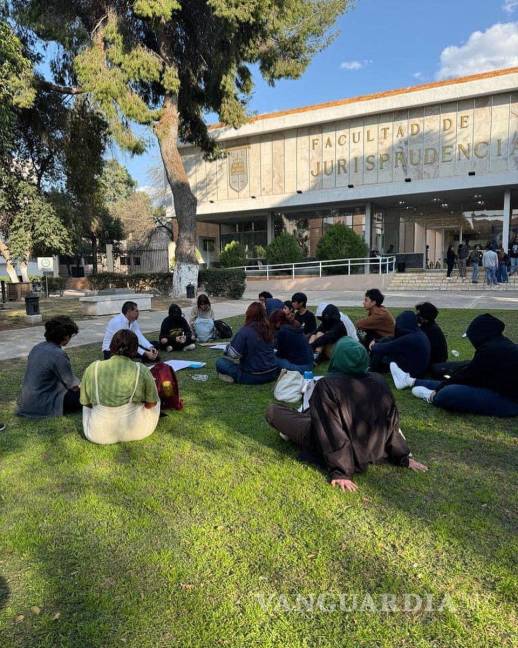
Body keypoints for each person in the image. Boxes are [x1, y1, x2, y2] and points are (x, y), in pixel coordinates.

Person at [265, 337, 427, 492]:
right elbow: (391, 423)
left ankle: (298, 424)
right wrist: (403, 456)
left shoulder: (327, 386)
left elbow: (331, 430)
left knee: (273, 411)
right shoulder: (378, 380)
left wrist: (341, 471)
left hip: (333, 444)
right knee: (308, 413)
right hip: (371, 447)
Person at [390, 314, 518, 417]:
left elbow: (467, 375)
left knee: (450, 392)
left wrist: (439, 389)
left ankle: (432, 396)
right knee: (455, 382)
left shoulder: (491, 350)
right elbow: (470, 374)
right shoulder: (500, 344)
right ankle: (409, 381)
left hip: (509, 401)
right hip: (499, 389)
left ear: (480, 335)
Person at [81, 330, 160, 444]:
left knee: (87, 405)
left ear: (111, 346)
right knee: (156, 398)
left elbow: (85, 402)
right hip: (137, 430)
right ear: (134, 350)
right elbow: (151, 403)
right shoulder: (141, 369)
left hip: (97, 433)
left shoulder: (93, 367)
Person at [17, 316, 82, 418]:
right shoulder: (58, 354)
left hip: (26, 402)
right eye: (71, 336)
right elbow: (72, 384)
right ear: (65, 337)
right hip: (43, 403)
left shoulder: (37, 347)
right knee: (84, 395)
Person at [216, 302, 279, 384]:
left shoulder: (245, 331)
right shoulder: (269, 329)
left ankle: (232, 377)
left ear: (248, 314)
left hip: (252, 376)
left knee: (220, 362)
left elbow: (233, 354)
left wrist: (227, 348)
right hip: (271, 373)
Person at [370, 310, 430, 377]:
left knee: (381, 351)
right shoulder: (419, 333)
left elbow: (385, 348)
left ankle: (372, 370)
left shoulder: (408, 339)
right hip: (419, 368)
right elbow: (393, 341)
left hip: (412, 372)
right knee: (387, 340)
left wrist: (373, 345)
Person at [270, 309, 314, 374]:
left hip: (301, 368)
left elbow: (281, 354)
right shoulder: (292, 328)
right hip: (309, 364)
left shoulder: (283, 332)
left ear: (278, 322)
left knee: (271, 358)